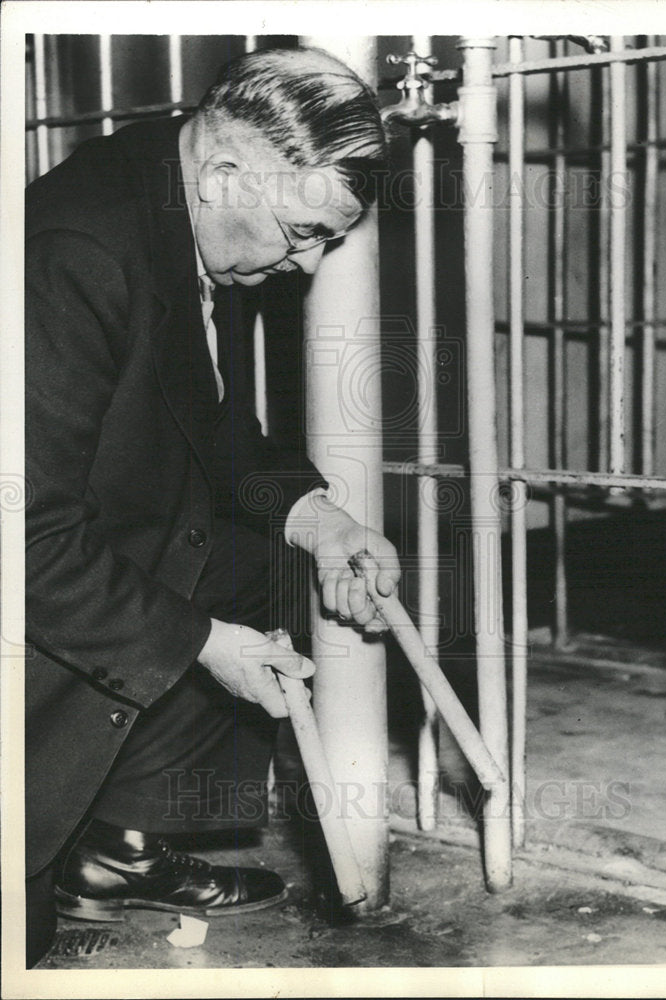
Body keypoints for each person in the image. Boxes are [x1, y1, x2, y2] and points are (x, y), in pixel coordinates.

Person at [24, 45, 399, 966]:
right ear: (228, 172)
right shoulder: (71, 256)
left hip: (77, 523)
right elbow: (21, 540)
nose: (306, 267)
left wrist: (327, 523)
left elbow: (218, 429)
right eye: (301, 233)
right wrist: (202, 643)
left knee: (267, 557)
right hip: (24, 565)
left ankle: (115, 846)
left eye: (326, 243)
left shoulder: (188, 194)